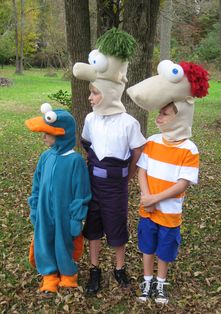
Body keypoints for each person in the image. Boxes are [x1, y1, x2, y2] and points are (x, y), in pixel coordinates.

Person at [127, 60, 209, 304]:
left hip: (170, 212)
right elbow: (142, 170)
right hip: (148, 210)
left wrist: (155, 199)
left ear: (180, 115)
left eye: (164, 113)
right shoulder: (152, 141)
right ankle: (147, 280)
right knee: (147, 247)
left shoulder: (189, 149)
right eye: (159, 112)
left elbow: (182, 184)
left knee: (164, 249)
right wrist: (146, 197)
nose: (159, 117)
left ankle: (161, 283)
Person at [73, 28, 146, 295]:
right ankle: (94, 269)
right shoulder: (91, 119)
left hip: (116, 186)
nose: (90, 98)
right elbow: (88, 146)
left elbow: (137, 149)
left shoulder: (128, 122)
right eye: (90, 92)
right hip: (93, 183)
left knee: (116, 227)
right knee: (93, 227)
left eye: (94, 93)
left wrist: (128, 174)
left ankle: (119, 267)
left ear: (109, 91)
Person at [25, 103, 91, 294]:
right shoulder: (45, 157)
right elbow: (37, 184)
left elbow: (81, 193)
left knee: (64, 243)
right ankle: (49, 276)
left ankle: (68, 275)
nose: (43, 137)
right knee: (44, 241)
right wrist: (35, 207)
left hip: (64, 213)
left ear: (62, 133)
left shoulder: (75, 161)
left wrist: (76, 218)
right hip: (44, 211)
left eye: (47, 133)